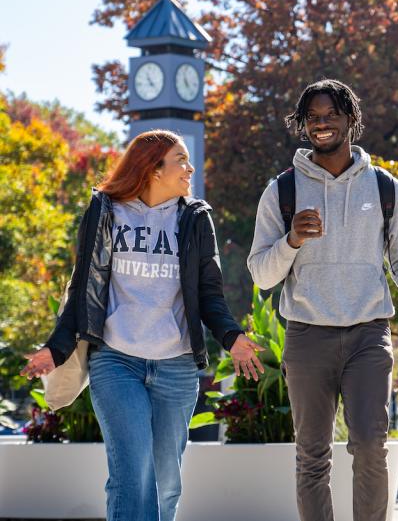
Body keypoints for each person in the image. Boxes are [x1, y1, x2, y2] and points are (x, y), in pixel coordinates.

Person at [21, 130, 265, 521]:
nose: (189, 168)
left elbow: (209, 295)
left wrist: (232, 336)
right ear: (153, 168)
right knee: (132, 471)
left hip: (177, 366)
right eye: (180, 161)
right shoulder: (105, 212)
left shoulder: (195, 219)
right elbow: (83, 287)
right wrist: (56, 347)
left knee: (166, 481)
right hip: (116, 361)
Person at [247, 79, 398, 521]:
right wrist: (292, 240)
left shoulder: (384, 188)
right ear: (303, 125)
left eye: (331, 115)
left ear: (350, 121)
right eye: (313, 117)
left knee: (370, 445)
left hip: (367, 335)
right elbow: (262, 273)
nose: (322, 124)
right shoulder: (282, 190)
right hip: (306, 337)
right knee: (312, 454)